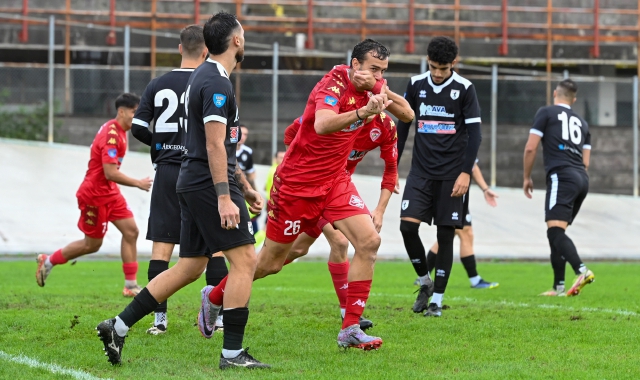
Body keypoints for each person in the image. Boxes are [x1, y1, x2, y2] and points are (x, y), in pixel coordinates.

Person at [201, 39, 414, 351]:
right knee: (272, 263)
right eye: (373, 68)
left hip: (335, 181)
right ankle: (215, 296)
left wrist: (380, 86)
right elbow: (324, 123)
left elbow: (407, 114)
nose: (378, 75)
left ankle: (350, 327)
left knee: (369, 242)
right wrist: (362, 111)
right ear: (355, 65)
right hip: (297, 185)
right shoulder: (334, 81)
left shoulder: (374, 88)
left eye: (383, 70)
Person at [96, 12, 269, 369]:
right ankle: (232, 354)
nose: (244, 40)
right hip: (207, 182)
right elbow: (215, 144)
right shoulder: (217, 83)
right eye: (243, 35)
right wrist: (225, 195)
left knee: (189, 266)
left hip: (191, 179)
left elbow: (215, 145)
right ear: (236, 41)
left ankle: (119, 325)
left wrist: (244, 187)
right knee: (245, 261)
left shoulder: (204, 76)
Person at [130, 25, 229, 335]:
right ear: (205, 51)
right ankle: (218, 316)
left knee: (162, 248)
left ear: (178, 47)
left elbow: (137, 126)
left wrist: (161, 144)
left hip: (168, 171)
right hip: (199, 170)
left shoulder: (158, 84)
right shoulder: (208, 80)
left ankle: (160, 321)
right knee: (215, 247)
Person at [282, 111, 398, 331]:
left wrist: (380, 209)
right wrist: (300, 166)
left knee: (303, 249)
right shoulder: (335, 114)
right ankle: (229, 288)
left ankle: (349, 318)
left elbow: (391, 170)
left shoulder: (384, 126)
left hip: (337, 189)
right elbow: (290, 134)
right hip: (311, 185)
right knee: (335, 242)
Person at [396, 36, 482, 317]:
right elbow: (404, 126)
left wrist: (465, 173)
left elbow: (475, 136)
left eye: (443, 69)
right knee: (407, 228)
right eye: (433, 67)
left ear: (453, 64)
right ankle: (424, 281)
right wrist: (392, 165)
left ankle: (437, 301)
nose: (437, 73)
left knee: (446, 235)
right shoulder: (416, 84)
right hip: (420, 172)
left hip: (451, 175)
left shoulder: (465, 89)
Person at [36, 93, 151, 296]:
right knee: (92, 245)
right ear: (121, 111)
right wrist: (138, 183)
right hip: (94, 195)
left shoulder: (120, 129)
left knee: (131, 231)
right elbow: (110, 172)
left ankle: (131, 285)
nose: (137, 116)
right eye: (134, 112)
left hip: (110, 192)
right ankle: (49, 260)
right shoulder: (112, 135)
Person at [523, 78, 594, 297]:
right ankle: (559, 287)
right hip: (581, 178)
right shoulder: (583, 123)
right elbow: (587, 162)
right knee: (557, 232)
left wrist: (526, 177)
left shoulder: (546, 113)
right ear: (573, 99)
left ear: (555, 93)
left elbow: (530, 148)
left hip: (561, 176)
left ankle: (581, 270)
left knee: (554, 232)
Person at [420, 162, 499, 289]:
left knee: (452, 233)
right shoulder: (463, 142)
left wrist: (485, 189)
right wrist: (485, 188)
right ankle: (474, 279)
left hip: (452, 188)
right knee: (462, 231)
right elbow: (473, 164)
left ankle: (424, 276)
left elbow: (473, 163)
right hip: (450, 188)